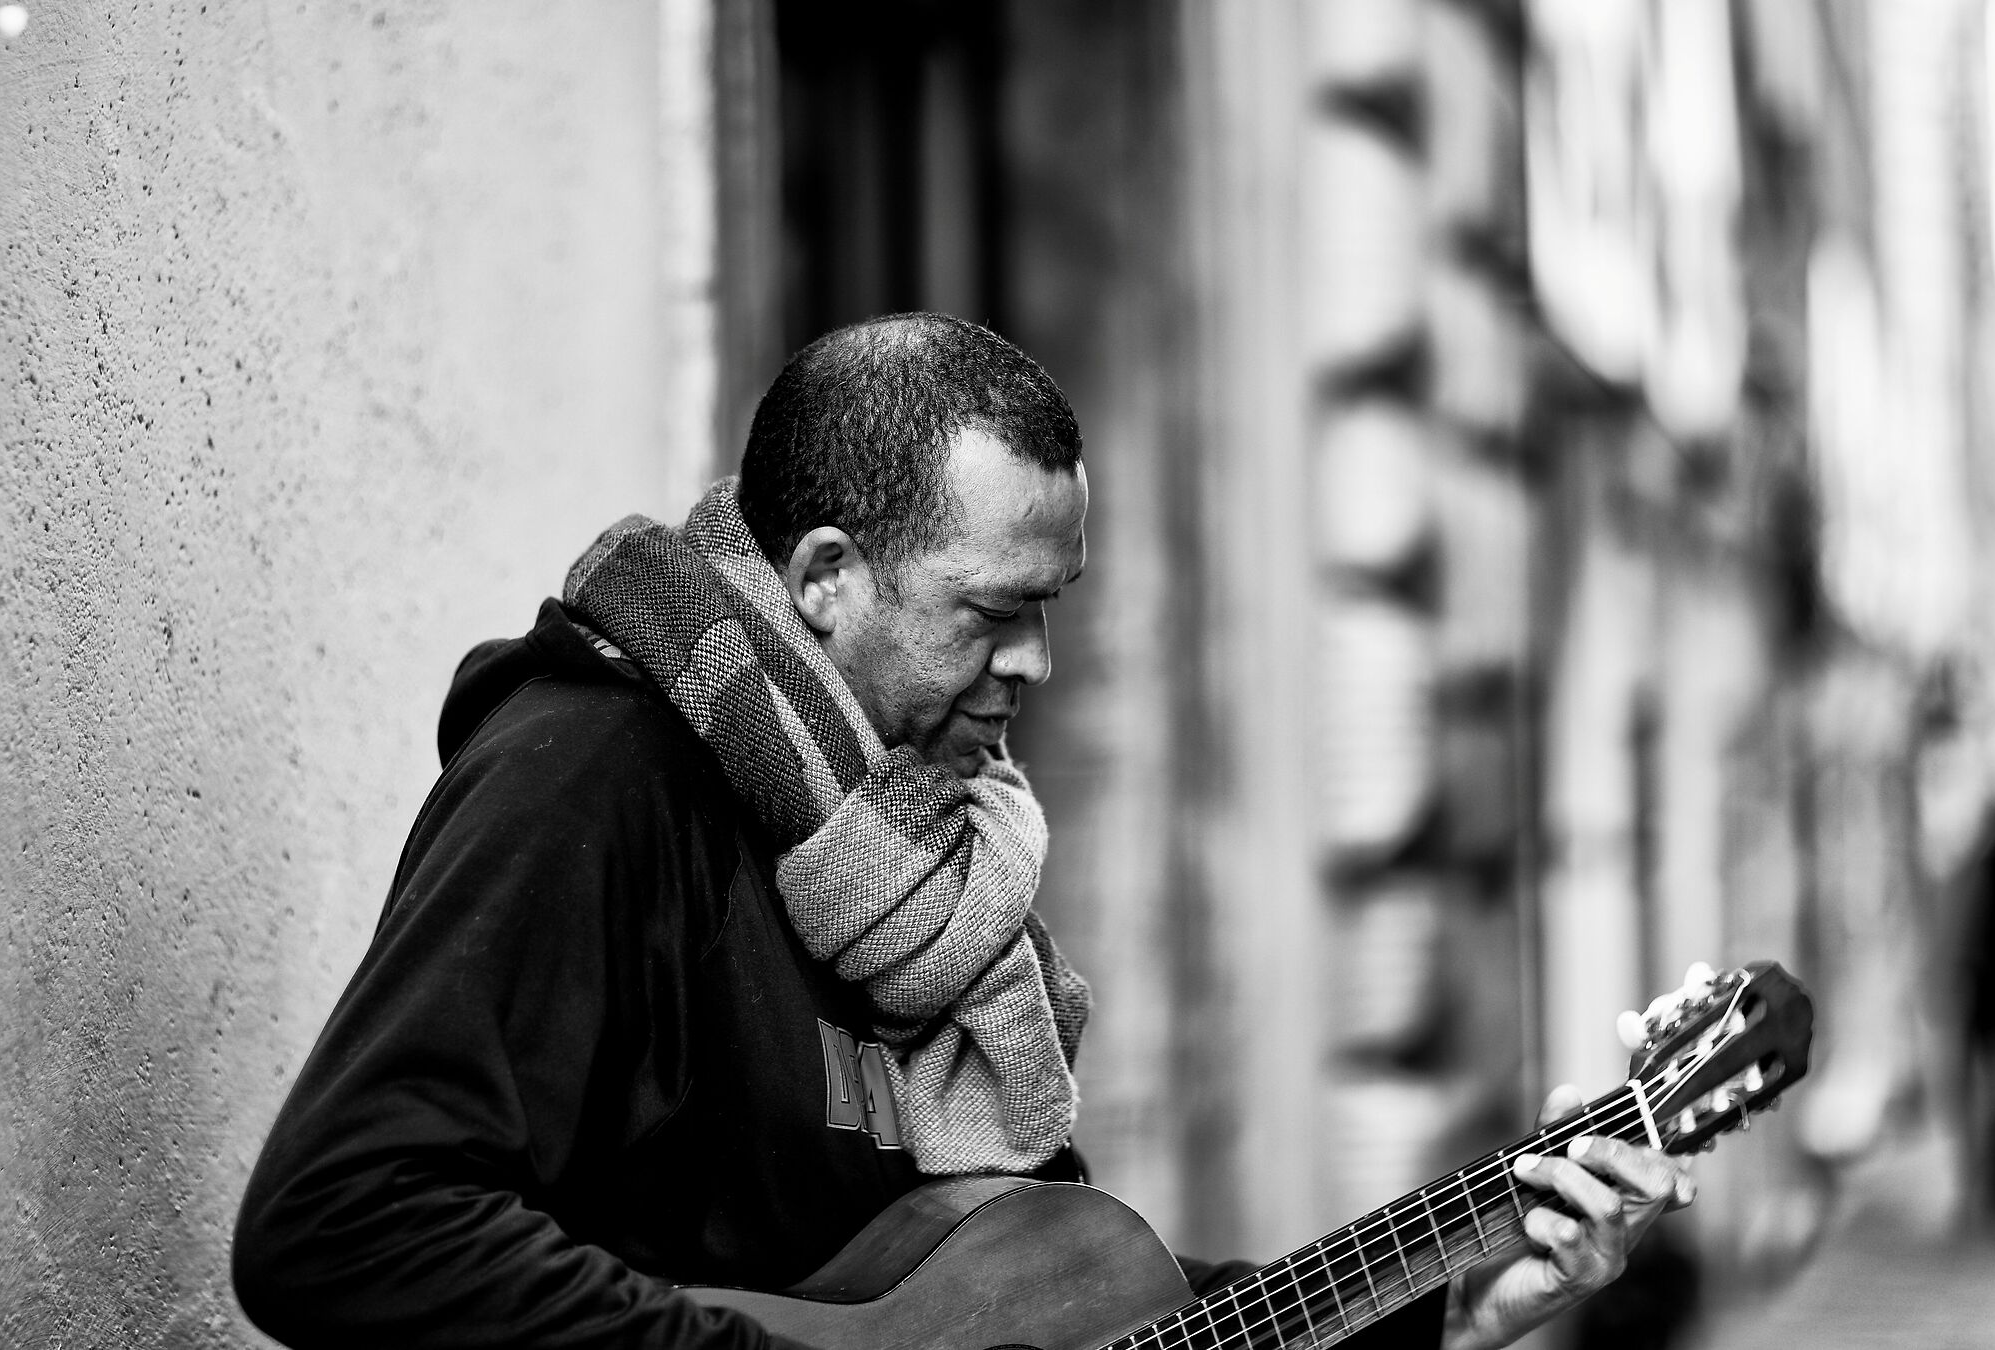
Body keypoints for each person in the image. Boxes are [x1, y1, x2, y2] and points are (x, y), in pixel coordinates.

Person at [231, 314, 1688, 1349]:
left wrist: (1449, 1304)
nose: (1036, 667)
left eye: (1050, 612)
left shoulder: (953, 858)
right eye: (993, 613)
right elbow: (345, 1215)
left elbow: (1046, 1302)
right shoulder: (593, 772)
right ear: (825, 577)